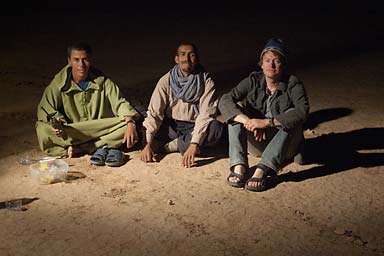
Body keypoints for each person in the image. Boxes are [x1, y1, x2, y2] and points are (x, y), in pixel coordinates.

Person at [218, 38, 309, 191]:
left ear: (283, 64)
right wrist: (249, 121)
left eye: (276, 61)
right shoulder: (253, 80)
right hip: (257, 142)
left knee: (291, 114)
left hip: (285, 145)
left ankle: (263, 170)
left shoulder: (293, 83)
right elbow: (225, 99)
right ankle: (239, 166)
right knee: (236, 109)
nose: (271, 65)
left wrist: (267, 123)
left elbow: (303, 111)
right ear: (261, 63)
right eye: (267, 60)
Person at [36, 42, 140, 167]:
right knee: (42, 129)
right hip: (75, 130)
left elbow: (120, 102)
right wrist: (57, 123)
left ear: (90, 60)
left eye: (85, 59)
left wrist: (130, 122)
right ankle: (104, 145)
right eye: (76, 60)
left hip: (98, 127)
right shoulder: (58, 84)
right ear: (69, 61)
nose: (81, 64)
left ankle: (85, 148)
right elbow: (45, 110)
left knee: (129, 125)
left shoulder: (102, 81)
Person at [140, 43, 225, 168]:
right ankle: (176, 143)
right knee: (141, 124)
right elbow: (155, 112)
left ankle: (168, 147)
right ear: (177, 59)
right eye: (183, 54)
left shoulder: (206, 81)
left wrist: (194, 144)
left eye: (192, 55)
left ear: (197, 59)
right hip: (171, 127)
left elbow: (206, 114)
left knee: (216, 129)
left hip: (194, 126)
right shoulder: (166, 80)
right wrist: (148, 143)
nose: (187, 59)